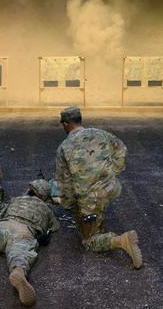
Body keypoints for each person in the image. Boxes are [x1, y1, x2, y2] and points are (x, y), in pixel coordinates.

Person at [55, 106, 142, 269]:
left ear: (66, 124)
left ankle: (121, 241)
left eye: (63, 125)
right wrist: (112, 172)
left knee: (89, 241)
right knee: (93, 210)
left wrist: (68, 206)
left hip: (90, 199)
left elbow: (64, 183)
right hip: (111, 189)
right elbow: (121, 150)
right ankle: (97, 218)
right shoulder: (101, 133)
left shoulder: (64, 147)